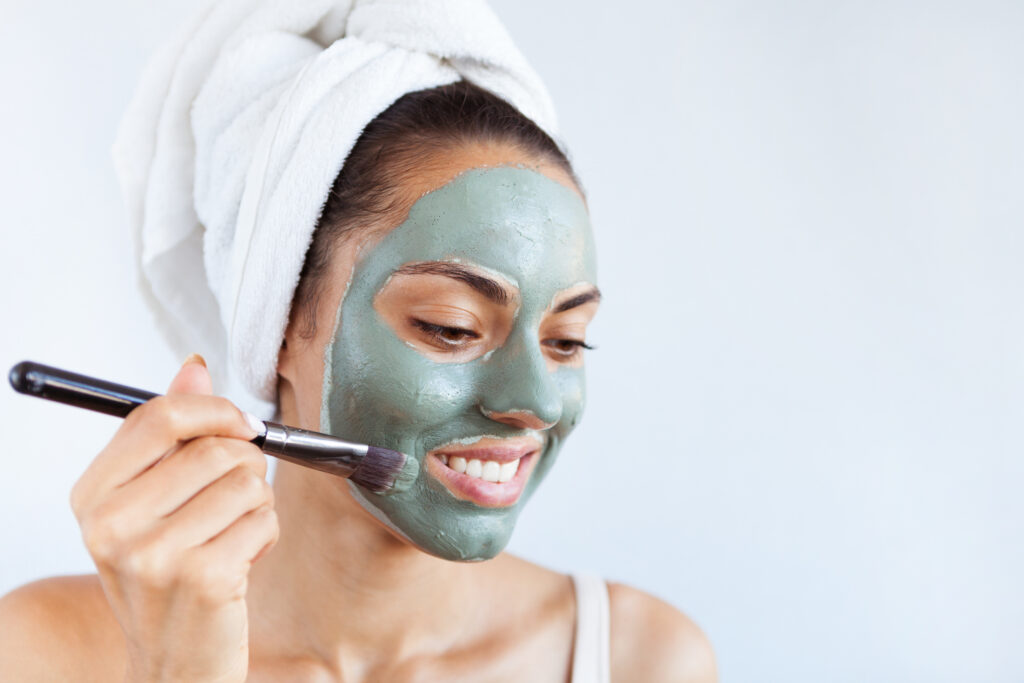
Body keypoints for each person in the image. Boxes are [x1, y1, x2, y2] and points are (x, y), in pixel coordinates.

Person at [0, 2, 716, 681]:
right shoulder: (43, 651)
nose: (532, 401)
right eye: (452, 328)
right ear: (281, 323)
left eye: (566, 341)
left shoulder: (643, 659)